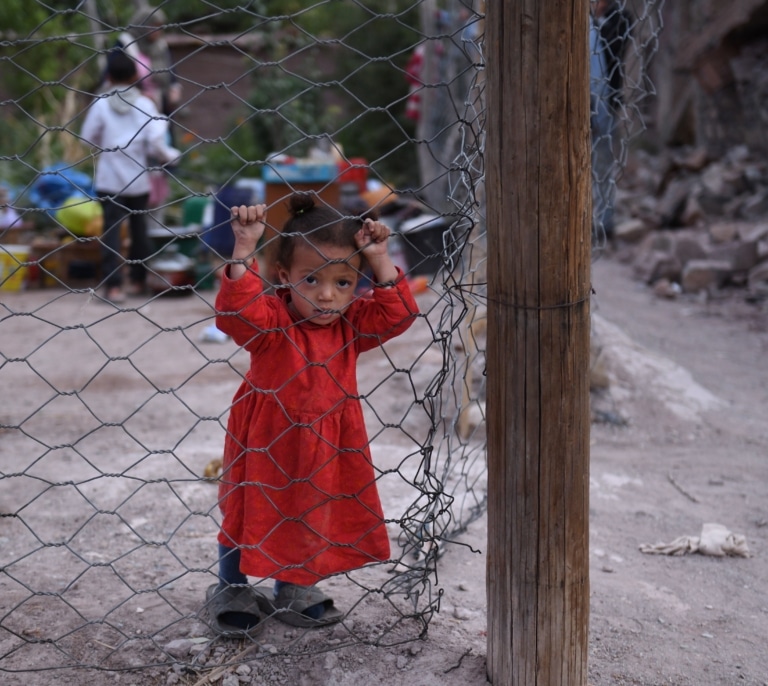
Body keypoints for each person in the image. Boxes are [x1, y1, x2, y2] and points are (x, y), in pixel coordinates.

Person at [203, 194, 419, 636]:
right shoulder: (273, 322)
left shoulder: (352, 325)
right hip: (266, 440)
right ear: (284, 276)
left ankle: (295, 586)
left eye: (343, 283)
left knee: (309, 507)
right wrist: (244, 247)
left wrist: (378, 258)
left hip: (326, 444)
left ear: (357, 282)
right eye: (311, 280)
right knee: (246, 508)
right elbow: (236, 310)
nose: (326, 295)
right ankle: (231, 585)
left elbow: (399, 314)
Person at [81, 49, 181, 303]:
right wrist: (172, 156)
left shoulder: (101, 104)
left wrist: (107, 143)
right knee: (140, 232)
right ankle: (138, 281)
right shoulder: (145, 104)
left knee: (112, 233)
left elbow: (87, 137)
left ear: (110, 78)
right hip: (138, 179)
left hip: (109, 180)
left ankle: (113, 287)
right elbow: (157, 142)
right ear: (136, 75)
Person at [590, 0, 631, 243]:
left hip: (606, 102)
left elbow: (615, 46)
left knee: (603, 163)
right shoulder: (583, 21)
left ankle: (604, 224)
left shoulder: (621, 19)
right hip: (580, 103)